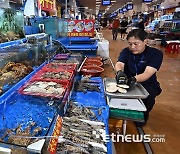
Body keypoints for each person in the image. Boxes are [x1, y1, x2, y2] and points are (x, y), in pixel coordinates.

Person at [115, 29, 163, 127]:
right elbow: (120, 63)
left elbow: (148, 73)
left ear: (145, 41)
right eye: (130, 44)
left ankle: (144, 114)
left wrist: (134, 79)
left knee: (148, 99)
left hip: (147, 83)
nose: (132, 47)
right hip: (128, 81)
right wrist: (120, 72)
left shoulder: (156, 54)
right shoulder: (125, 52)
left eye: (136, 44)